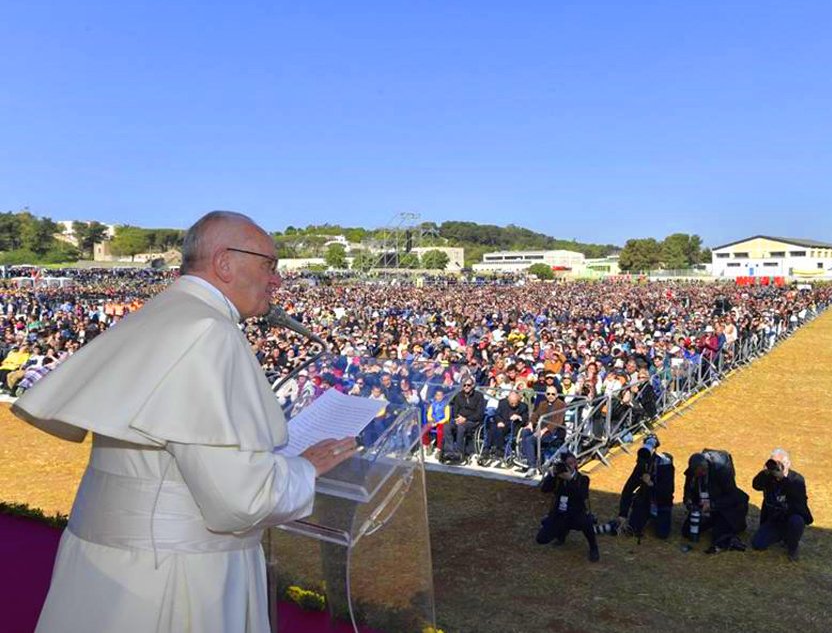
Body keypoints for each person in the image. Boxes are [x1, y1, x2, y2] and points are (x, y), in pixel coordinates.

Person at [12, 211, 358, 633]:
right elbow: (238, 500)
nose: (277, 281)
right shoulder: (209, 333)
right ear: (225, 262)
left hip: (114, 568)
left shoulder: (166, 314)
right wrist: (305, 467)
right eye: (270, 265)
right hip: (176, 580)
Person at [535, 451, 600, 562]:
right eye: (568, 464)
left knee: (586, 522)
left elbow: (581, 495)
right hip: (559, 513)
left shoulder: (582, 479)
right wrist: (551, 475)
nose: (571, 465)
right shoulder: (558, 478)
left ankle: (593, 547)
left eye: (573, 463)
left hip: (576, 514)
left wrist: (570, 480)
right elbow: (544, 489)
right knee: (541, 539)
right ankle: (562, 534)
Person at [682, 449, 749, 554]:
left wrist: (713, 505)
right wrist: (688, 501)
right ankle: (713, 521)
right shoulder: (692, 473)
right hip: (704, 507)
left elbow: (733, 496)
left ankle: (727, 532)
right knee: (687, 531)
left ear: (707, 467)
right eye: (699, 473)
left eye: (703, 471)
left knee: (719, 535)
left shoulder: (721, 470)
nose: (702, 474)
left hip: (722, 507)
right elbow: (687, 489)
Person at [750, 449, 813, 561]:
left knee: (797, 521)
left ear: (788, 464)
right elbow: (756, 485)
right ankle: (781, 535)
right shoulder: (769, 477)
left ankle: (792, 547)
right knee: (758, 544)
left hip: (791, 517)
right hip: (774, 519)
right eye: (774, 462)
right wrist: (764, 473)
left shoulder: (797, 479)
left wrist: (783, 479)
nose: (776, 466)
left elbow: (797, 498)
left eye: (779, 463)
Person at [617, 434, 675, 541]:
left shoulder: (665, 465)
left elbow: (667, 492)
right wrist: (623, 514)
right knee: (633, 529)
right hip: (645, 499)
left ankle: (658, 517)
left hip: (661, 502)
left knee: (663, 534)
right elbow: (628, 488)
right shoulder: (642, 464)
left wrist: (651, 484)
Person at [443, 377, 485, 463]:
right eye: (464, 385)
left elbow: (479, 414)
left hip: (472, 421)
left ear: (472, 385)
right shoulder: (459, 395)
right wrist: (458, 418)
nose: (466, 387)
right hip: (459, 419)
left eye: (468, 385)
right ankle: (449, 452)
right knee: (447, 426)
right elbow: (455, 410)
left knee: (461, 428)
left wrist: (466, 419)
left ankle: (459, 453)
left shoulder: (479, 396)